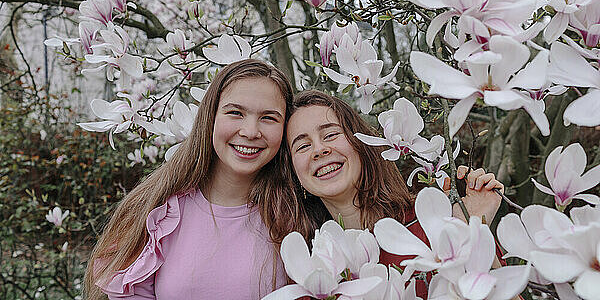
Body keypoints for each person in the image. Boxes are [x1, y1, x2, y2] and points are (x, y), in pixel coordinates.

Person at [84, 59, 298, 300]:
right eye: (235, 113)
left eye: (269, 118)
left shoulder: (297, 215)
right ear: (211, 116)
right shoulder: (157, 213)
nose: (250, 132)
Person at [282, 90, 505, 297]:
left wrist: (472, 226)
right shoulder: (309, 264)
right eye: (302, 146)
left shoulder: (432, 224)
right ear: (294, 172)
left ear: (360, 143)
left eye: (330, 134)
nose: (319, 150)